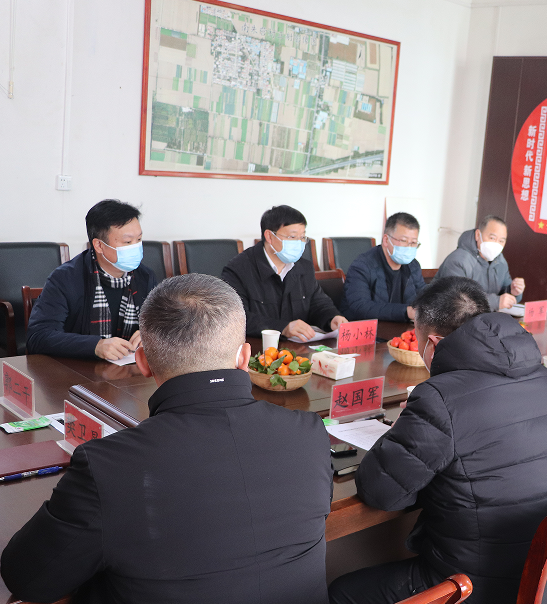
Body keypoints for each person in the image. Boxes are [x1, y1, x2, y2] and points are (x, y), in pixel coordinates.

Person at [1, 274, 333, 604]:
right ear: (245, 357)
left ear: (142, 362)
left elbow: (28, 579)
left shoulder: (108, 466)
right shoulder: (309, 433)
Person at [329, 277, 547, 604]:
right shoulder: (542, 376)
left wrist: (402, 428)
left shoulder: (439, 398)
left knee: (340, 593)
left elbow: (380, 491)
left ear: (433, 343)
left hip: (476, 584)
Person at [26, 199, 158, 360]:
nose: (136, 247)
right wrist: (95, 345)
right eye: (128, 242)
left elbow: (163, 323)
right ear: (99, 245)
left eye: (139, 240)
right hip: (77, 368)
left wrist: (150, 334)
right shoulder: (65, 279)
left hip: (129, 369)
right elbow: (38, 337)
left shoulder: (145, 277)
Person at [221, 205, 347, 340]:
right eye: (292, 237)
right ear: (269, 236)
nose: (299, 243)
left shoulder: (304, 267)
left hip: (298, 349)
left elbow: (318, 303)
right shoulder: (238, 269)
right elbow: (236, 318)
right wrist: (282, 328)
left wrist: (332, 318)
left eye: (302, 237)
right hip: (257, 348)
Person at [339, 212, 426, 321]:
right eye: (404, 241)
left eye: (413, 243)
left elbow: (423, 296)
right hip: (366, 327)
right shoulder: (362, 266)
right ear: (386, 240)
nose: (409, 247)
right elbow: (361, 306)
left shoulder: (413, 265)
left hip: (401, 327)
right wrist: (406, 312)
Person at [435, 215, 525, 310]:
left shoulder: (500, 261)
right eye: (492, 238)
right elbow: (456, 301)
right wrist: (496, 302)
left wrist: (512, 291)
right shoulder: (458, 260)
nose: (496, 244)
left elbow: (503, 292)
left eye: (501, 241)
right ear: (478, 235)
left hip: (484, 316)